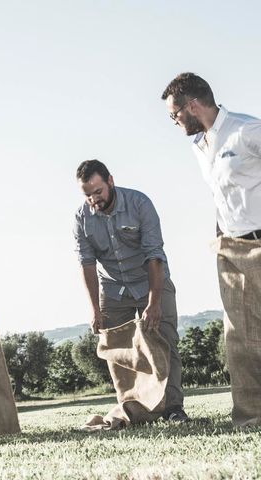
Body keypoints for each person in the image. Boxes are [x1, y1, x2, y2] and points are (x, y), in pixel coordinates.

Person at [161, 72, 261, 425]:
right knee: (241, 338)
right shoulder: (199, 147)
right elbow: (221, 198)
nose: (174, 122)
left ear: (192, 105)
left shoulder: (247, 131)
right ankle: (251, 415)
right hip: (231, 251)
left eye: (175, 114)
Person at [73, 159, 188, 422]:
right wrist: (94, 310)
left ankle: (173, 409)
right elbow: (87, 264)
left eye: (98, 191)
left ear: (110, 181)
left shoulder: (139, 204)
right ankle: (134, 411)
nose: (94, 199)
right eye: (87, 194)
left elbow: (154, 255)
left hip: (151, 281)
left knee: (165, 343)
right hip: (113, 290)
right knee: (120, 352)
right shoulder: (81, 218)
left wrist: (154, 302)